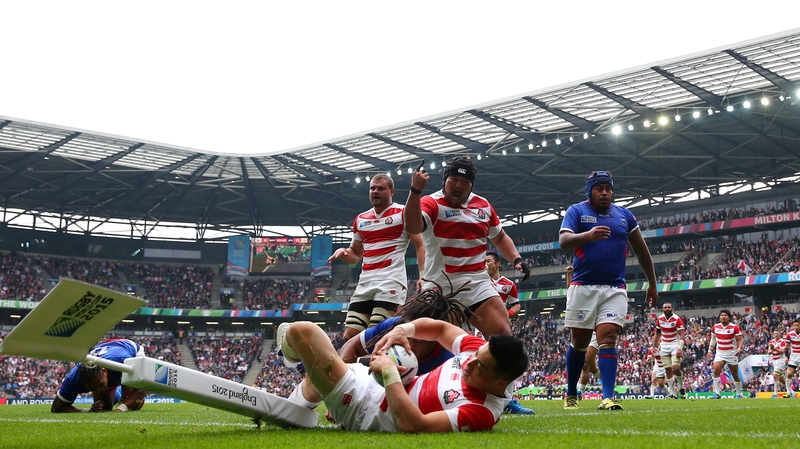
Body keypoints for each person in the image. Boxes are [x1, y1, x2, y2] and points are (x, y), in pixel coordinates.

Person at [275, 312, 529, 432]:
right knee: (318, 373)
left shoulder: (482, 412)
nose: (469, 363)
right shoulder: (479, 350)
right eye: (474, 356)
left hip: (364, 408)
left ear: (500, 383)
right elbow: (440, 328)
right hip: (373, 382)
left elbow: (414, 425)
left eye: (480, 367)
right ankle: (294, 406)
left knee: (301, 332)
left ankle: (288, 353)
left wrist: (389, 373)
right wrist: (402, 330)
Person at [339, 279, 534, 415]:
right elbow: (351, 345)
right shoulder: (394, 326)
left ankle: (506, 400)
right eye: (408, 333)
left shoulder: (449, 361)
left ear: (433, 337)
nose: (409, 342)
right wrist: (345, 389)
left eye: (418, 339)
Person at [558, 170, 658, 411]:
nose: (605, 193)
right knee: (579, 344)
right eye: (599, 188)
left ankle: (607, 397)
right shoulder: (576, 211)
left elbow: (642, 250)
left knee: (609, 338)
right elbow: (564, 241)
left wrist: (652, 283)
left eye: (608, 189)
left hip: (615, 287)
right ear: (589, 191)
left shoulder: (624, 215)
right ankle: (571, 394)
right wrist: (588, 235)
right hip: (583, 286)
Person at [404, 156, 531, 339]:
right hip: (440, 288)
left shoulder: (483, 205)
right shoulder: (432, 203)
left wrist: (517, 259)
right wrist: (415, 191)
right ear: (445, 180)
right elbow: (412, 226)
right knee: (431, 345)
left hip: (477, 284)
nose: (459, 185)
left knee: (503, 337)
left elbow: (500, 237)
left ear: (471, 185)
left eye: (465, 181)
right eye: (454, 179)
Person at [329, 173, 426, 341]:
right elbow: (355, 254)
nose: (375, 191)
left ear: (392, 191)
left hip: (391, 281)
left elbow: (420, 245)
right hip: (365, 283)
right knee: (350, 336)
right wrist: (343, 252)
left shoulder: (403, 213)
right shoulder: (361, 219)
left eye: (381, 188)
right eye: (372, 188)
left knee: (378, 334)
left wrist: (423, 274)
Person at [51, 339, 147, 413]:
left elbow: (143, 387)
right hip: (105, 351)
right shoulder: (73, 379)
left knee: (132, 404)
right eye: (92, 389)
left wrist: (121, 408)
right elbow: (57, 407)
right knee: (104, 409)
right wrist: (87, 411)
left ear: (104, 371)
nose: (99, 390)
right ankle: (115, 392)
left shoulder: (123, 362)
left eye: (100, 384)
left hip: (127, 347)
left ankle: (124, 396)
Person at [706, 309, 745, 398]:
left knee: (735, 374)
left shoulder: (734, 327)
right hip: (720, 353)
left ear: (729, 317)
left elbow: (740, 340)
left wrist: (739, 349)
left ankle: (739, 394)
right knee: (716, 371)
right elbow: (713, 340)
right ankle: (717, 393)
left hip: (731, 354)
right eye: (721, 315)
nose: (723, 317)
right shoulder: (715, 327)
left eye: (725, 315)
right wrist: (709, 351)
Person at [653, 302, 685, 399]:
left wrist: (680, 348)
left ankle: (682, 387)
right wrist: (654, 346)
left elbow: (682, 334)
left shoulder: (677, 319)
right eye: (665, 307)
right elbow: (658, 334)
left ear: (672, 309)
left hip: (675, 345)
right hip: (664, 346)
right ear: (662, 309)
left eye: (669, 307)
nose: (667, 309)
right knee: (668, 370)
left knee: (675, 367)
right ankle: (673, 393)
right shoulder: (660, 319)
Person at [485, 252, 521, 319]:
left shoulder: (509, 284)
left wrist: (508, 314)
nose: (485, 264)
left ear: (497, 264)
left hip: (500, 322)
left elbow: (516, 305)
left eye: (488, 261)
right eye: (484, 262)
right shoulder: (481, 282)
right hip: (482, 322)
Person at [768, 330, 788, 398]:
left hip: (780, 360)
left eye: (777, 333)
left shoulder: (782, 342)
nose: (775, 335)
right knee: (782, 379)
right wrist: (771, 350)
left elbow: (782, 351)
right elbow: (769, 352)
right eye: (774, 334)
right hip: (774, 361)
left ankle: (775, 394)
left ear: (779, 335)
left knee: (775, 375)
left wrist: (775, 349)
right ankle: (791, 391)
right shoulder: (772, 342)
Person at [783, 318, 800, 398]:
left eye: (798, 325)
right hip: (793, 356)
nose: (796, 327)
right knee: (789, 374)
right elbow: (786, 347)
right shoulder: (790, 334)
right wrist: (786, 356)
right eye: (794, 325)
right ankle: (788, 393)